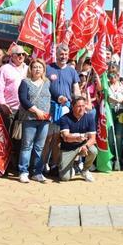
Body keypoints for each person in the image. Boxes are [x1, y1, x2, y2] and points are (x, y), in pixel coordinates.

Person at [44, 44, 80, 172]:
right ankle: (43, 164)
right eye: (61, 54)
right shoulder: (48, 68)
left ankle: (54, 164)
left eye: (65, 54)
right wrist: (56, 97)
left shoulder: (72, 70)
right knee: (48, 137)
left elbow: (76, 90)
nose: (63, 56)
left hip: (66, 108)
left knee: (59, 137)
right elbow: (43, 87)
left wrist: (79, 102)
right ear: (57, 54)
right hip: (50, 107)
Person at [17, 58, 52, 183]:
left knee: (39, 147)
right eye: (35, 67)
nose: (37, 69)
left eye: (40, 67)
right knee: (27, 146)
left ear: (43, 69)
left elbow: (53, 96)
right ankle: (23, 171)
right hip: (29, 118)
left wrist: (61, 98)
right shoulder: (25, 82)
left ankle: (37, 172)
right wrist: (36, 111)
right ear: (30, 69)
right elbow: (23, 100)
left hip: (44, 120)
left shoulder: (47, 83)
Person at [58, 96, 97, 182]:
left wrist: (85, 146)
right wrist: (77, 138)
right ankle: (74, 169)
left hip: (83, 145)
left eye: (83, 106)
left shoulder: (89, 118)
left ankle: (85, 170)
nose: (81, 108)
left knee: (93, 151)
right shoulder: (65, 118)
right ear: (73, 106)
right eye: (79, 106)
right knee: (64, 178)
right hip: (68, 148)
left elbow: (93, 138)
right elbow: (66, 137)